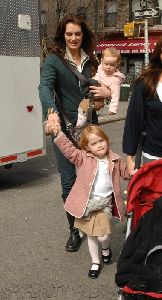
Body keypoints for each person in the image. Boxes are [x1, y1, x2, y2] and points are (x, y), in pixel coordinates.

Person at [39, 15, 111, 252]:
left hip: (89, 129)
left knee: (93, 179)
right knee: (69, 182)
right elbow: (45, 87)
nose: (73, 38)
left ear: (83, 36)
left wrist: (106, 92)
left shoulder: (92, 60)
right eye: (69, 34)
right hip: (65, 130)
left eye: (77, 34)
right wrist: (51, 112)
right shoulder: (54, 60)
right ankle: (74, 230)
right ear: (63, 35)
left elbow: (105, 85)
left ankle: (94, 226)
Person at [51, 123, 129, 278]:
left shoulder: (115, 159)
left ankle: (106, 248)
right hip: (87, 204)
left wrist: (136, 170)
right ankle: (95, 261)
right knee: (91, 235)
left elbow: (127, 174)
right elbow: (68, 150)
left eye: (101, 141)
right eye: (94, 143)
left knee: (103, 235)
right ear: (87, 147)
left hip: (104, 203)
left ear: (106, 140)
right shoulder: (82, 158)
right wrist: (59, 133)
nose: (99, 145)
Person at [122, 38, 162, 176]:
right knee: (155, 198)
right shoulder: (145, 83)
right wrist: (130, 156)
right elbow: (134, 120)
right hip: (154, 156)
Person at [76, 47, 125, 127]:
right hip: (91, 94)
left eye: (112, 65)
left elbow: (115, 94)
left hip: (99, 100)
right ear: (101, 61)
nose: (108, 67)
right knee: (84, 105)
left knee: (84, 105)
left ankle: (79, 123)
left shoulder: (115, 79)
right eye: (106, 64)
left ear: (117, 64)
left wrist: (112, 109)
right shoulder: (100, 68)